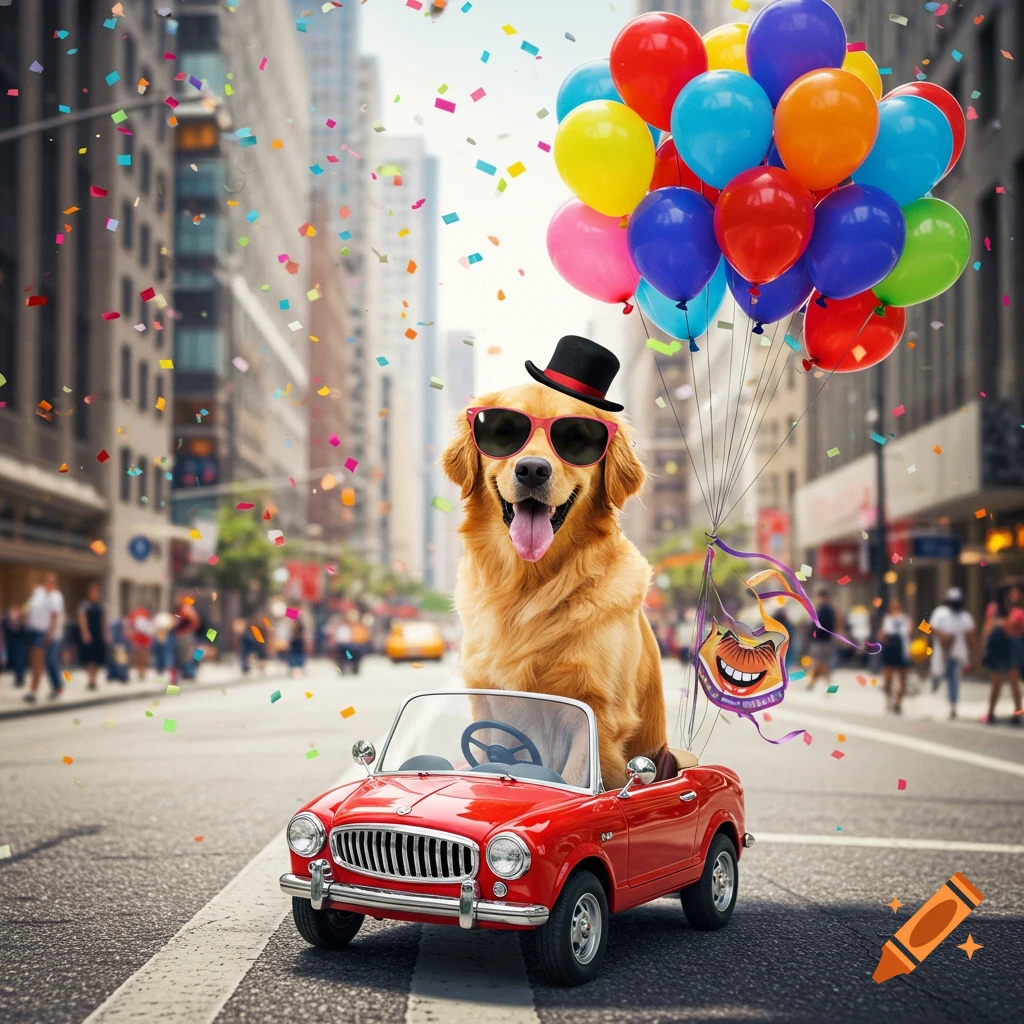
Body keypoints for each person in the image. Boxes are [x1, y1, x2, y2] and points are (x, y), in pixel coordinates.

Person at [929, 586, 977, 720]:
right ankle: (936, 680)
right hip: (941, 652)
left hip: (957, 653)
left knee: (953, 679)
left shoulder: (965, 616)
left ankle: (953, 705)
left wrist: (974, 657)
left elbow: (971, 637)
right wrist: (941, 634)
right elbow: (924, 627)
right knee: (938, 673)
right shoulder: (940, 613)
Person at [982, 585, 1023, 726]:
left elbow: (1014, 629)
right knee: (997, 682)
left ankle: (1017, 713)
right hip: (998, 647)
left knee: (1014, 682)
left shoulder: (1016, 610)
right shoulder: (995, 609)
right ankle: (991, 713)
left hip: (1012, 646)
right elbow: (988, 628)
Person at [25, 572, 65, 702]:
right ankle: (57, 687)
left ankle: (34, 691)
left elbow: (54, 616)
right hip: (35, 631)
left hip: (47, 633)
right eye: (47, 581)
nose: (49, 584)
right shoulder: (39, 593)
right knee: (46, 662)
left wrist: (49, 633)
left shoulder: (56, 597)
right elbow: (29, 608)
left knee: (45, 662)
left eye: (52, 582)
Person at [878, 597, 911, 714]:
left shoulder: (906, 619)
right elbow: (881, 636)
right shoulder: (887, 619)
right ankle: (889, 700)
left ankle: (898, 703)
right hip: (890, 648)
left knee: (903, 679)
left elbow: (910, 633)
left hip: (902, 649)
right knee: (888, 678)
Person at [77, 583, 108, 691]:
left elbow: (104, 621)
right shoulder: (85, 605)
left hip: (98, 634)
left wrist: (106, 634)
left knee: (97, 659)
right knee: (90, 659)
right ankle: (90, 679)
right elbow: (82, 619)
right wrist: (85, 633)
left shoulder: (101, 606)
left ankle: (94, 679)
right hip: (90, 634)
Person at [807, 588, 836, 689]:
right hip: (825, 640)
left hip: (821, 641)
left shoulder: (823, 610)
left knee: (820, 663)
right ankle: (811, 683)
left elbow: (818, 625)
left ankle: (828, 684)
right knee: (818, 663)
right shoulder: (829, 609)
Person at [172, 595, 200, 682]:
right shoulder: (183, 610)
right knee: (184, 655)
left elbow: (189, 622)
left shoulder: (185, 610)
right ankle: (187, 673)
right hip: (185, 634)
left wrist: (179, 629)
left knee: (186, 655)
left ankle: (189, 673)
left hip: (185, 635)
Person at [125, 605, 154, 682]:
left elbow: (150, 627)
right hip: (138, 640)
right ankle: (141, 672)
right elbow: (130, 626)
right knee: (140, 657)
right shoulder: (134, 615)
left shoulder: (145, 615)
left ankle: (142, 672)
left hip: (143, 640)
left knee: (142, 657)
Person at [2, 606, 29, 688]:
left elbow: (25, 633)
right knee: (15, 661)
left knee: (20, 661)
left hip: (21, 644)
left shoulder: (22, 622)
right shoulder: (7, 622)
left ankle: (20, 679)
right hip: (12, 644)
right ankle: (18, 678)